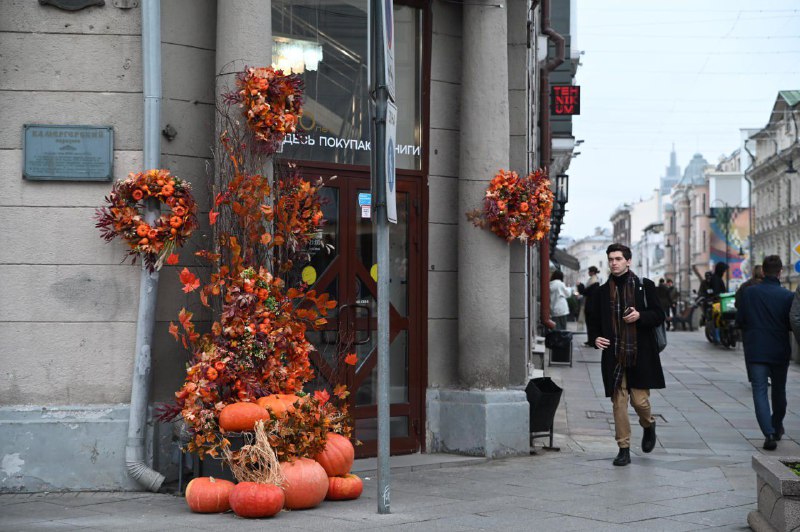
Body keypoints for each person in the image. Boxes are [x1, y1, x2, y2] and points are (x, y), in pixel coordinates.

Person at [587, 243, 666, 466]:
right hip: (614, 355)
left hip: (640, 354)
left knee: (640, 402)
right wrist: (595, 338)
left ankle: (648, 424)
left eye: (618, 259)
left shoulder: (645, 286)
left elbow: (659, 315)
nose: (614, 263)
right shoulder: (601, 292)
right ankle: (624, 448)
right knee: (619, 403)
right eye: (611, 259)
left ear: (628, 261)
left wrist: (640, 315)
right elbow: (592, 321)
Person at [735, 255, 794, 451]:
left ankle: (768, 433)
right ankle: (776, 426)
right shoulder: (787, 296)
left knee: (759, 391)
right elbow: (792, 323)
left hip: (756, 349)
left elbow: (740, 319)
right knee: (779, 390)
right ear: (780, 272)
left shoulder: (749, 293)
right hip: (779, 349)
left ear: (763, 271)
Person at [578, 266, 601, 346]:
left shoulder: (594, 282)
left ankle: (592, 341)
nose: (588, 273)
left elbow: (585, 292)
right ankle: (591, 341)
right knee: (590, 325)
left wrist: (580, 285)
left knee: (591, 325)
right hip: (592, 307)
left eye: (589, 271)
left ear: (592, 272)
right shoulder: (593, 280)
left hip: (591, 307)